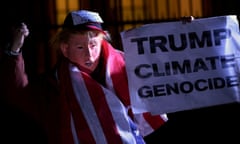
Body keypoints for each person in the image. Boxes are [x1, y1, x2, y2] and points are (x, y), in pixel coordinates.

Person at [0, 10, 168, 144]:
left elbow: (169, 77)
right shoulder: (54, 85)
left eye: (93, 45)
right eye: (80, 47)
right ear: (65, 49)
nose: (89, 54)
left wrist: (186, 31)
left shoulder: (128, 67)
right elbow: (20, 95)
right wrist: (14, 52)